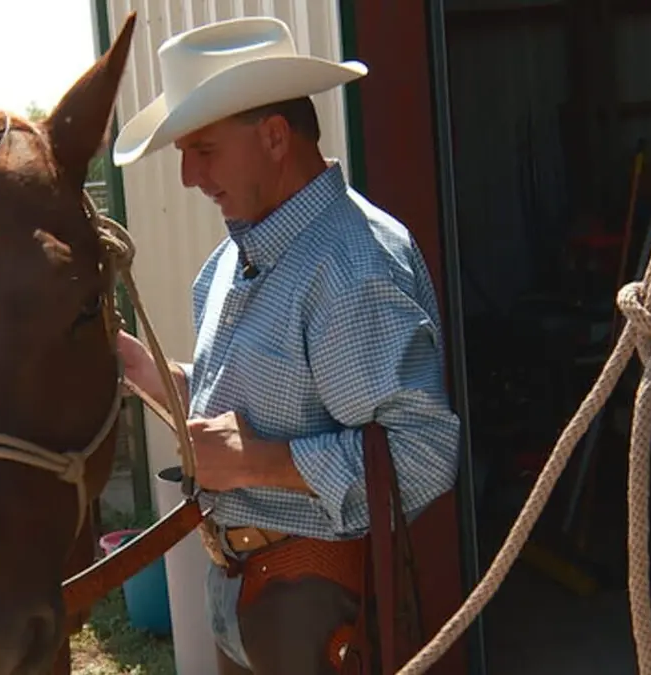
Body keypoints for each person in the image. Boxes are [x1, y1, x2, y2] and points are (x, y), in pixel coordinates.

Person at [111, 16, 461, 675]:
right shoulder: (227, 265)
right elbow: (240, 416)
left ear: (275, 136)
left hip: (318, 603)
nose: (187, 175)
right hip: (248, 595)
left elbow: (422, 457)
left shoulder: (353, 266)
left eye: (203, 149)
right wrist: (139, 367)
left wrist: (257, 462)